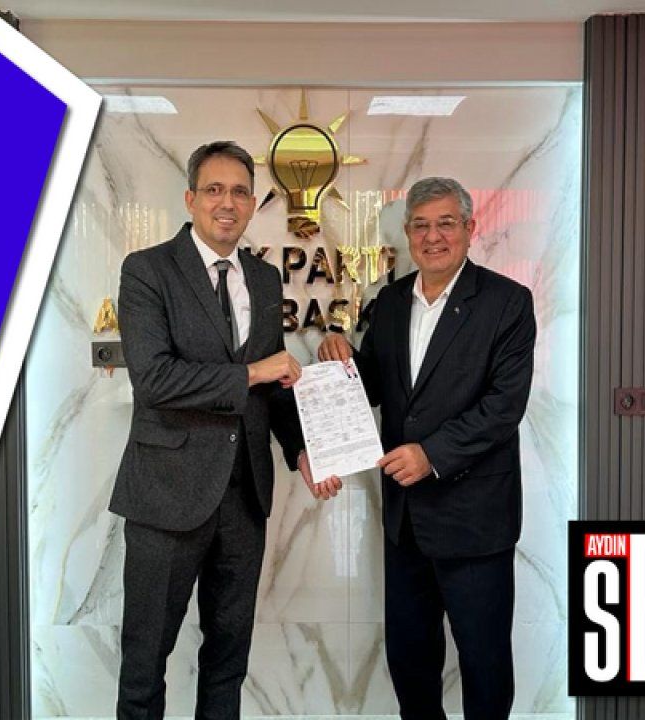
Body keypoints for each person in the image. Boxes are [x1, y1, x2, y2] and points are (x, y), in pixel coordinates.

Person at [111, 140, 338, 719]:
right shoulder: (147, 271)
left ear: (252, 204)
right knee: (145, 660)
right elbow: (155, 380)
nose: (227, 203)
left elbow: (272, 383)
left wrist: (301, 450)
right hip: (165, 493)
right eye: (214, 190)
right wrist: (252, 371)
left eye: (239, 191)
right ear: (190, 199)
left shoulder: (262, 278)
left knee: (228, 659)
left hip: (243, 498)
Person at [318, 177, 536, 720]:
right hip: (406, 521)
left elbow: (503, 407)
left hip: (475, 520)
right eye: (420, 225)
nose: (432, 236)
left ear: (469, 228)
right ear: (408, 233)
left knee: (484, 664)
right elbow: (375, 384)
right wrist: (341, 359)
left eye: (445, 223)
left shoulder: (507, 302)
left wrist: (431, 454)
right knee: (410, 663)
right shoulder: (391, 302)